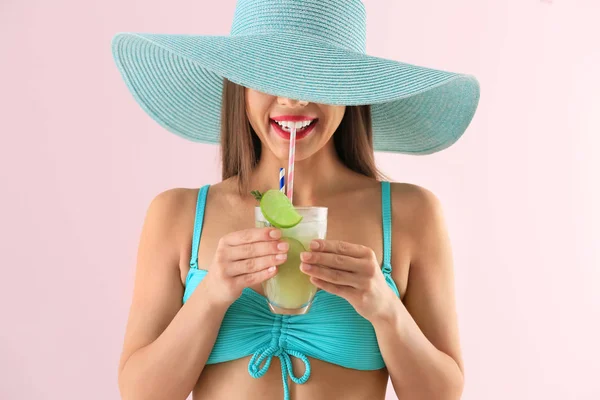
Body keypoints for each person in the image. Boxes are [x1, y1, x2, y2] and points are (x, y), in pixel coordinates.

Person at [110, 0, 480, 399]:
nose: (292, 98)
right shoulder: (178, 214)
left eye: (316, 74)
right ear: (240, 85)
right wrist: (213, 293)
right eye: (267, 73)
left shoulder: (410, 214)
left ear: (351, 87)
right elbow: (141, 393)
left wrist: (385, 309)